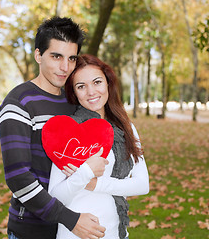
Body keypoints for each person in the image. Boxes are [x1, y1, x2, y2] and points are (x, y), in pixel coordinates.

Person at [0, 17, 107, 239]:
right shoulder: (19, 103)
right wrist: (70, 219)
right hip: (33, 230)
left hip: (77, 228)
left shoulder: (75, 100)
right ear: (38, 55)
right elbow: (18, 177)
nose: (65, 67)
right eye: (56, 56)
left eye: (71, 58)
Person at [48, 54, 150, 239]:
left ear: (108, 83)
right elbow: (55, 197)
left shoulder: (125, 127)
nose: (91, 92)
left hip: (117, 233)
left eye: (97, 82)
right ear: (74, 92)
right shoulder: (68, 131)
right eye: (81, 86)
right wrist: (86, 172)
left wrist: (94, 183)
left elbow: (142, 185)